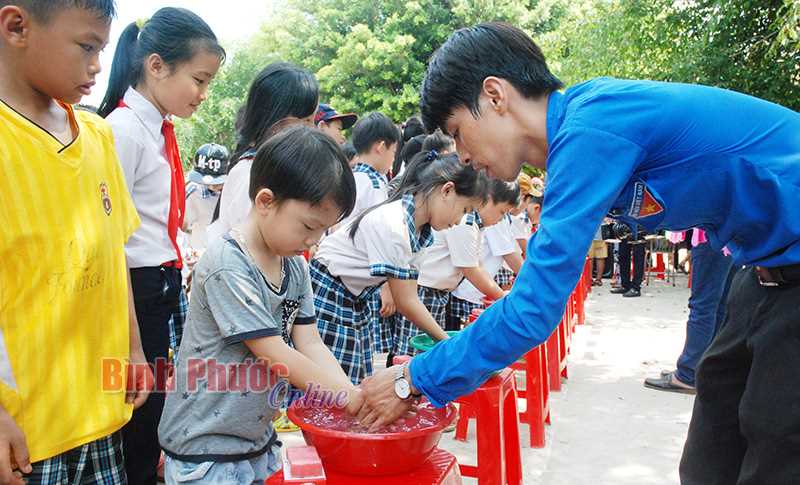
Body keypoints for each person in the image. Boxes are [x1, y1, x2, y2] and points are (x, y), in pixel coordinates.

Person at [356, 22, 800, 485]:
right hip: (762, 270)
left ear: (494, 96)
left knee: (778, 448)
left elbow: (532, 309)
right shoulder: (578, 136)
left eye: (458, 131)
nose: (462, 156)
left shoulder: (592, 128)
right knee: (713, 447)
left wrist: (413, 380)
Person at [0, 1, 152, 484]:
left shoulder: (98, 136)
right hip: (25, 435)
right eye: (86, 46)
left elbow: (114, 256)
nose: (97, 66)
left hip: (100, 416)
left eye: (102, 49)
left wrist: (133, 350)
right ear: (16, 26)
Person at [159, 126, 362, 485]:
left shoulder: (295, 266)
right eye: (308, 227)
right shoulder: (228, 263)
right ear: (265, 201)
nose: (313, 242)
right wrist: (347, 399)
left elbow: (310, 343)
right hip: (204, 446)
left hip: (255, 441)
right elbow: (273, 351)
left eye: (323, 231)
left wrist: (351, 395)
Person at [98, 8, 224, 484]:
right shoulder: (123, 131)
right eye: (198, 79)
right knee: (139, 414)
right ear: (156, 66)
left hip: (162, 283)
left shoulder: (157, 131)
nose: (203, 94)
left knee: (157, 409)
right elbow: (112, 238)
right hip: (135, 288)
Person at [310, 151, 486, 384]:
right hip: (330, 290)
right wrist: (449, 344)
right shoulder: (395, 224)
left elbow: (409, 295)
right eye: (464, 210)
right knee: (334, 383)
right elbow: (407, 301)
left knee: (355, 377)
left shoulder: (421, 232)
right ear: (447, 191)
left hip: (355, 295)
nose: (459, 221)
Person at [208, 62, 318, 241]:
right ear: (273, 121)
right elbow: (248, 247)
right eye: (305, 121)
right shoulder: (250, 175)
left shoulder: (276, 170)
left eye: (313, 121)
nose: (312, 130)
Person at [644, 231, 737, 393]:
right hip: (731, 236)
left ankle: (688, 373)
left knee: (703, 306)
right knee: (718, 305)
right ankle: (705, 369)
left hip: (712, 232)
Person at [448, 180, 521, 325]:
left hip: (454, 291)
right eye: (502, 212)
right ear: (487, 198)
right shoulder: (466, 223)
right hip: (457, 292)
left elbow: (477, 265)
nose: (501, 219)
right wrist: (503, 298)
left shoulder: (477, 225)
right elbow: (471, 269)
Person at [184, 143, 229, 255]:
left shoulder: (232, 191)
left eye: (217, 182)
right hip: (198, 251)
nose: (212, 186)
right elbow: (182, 226)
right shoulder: (193, 191)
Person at [610, 232, 645, 297]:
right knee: (623, 255)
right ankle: (625, 285)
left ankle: (636, 287)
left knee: (638, 258)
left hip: (639, 228)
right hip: (625, 227)